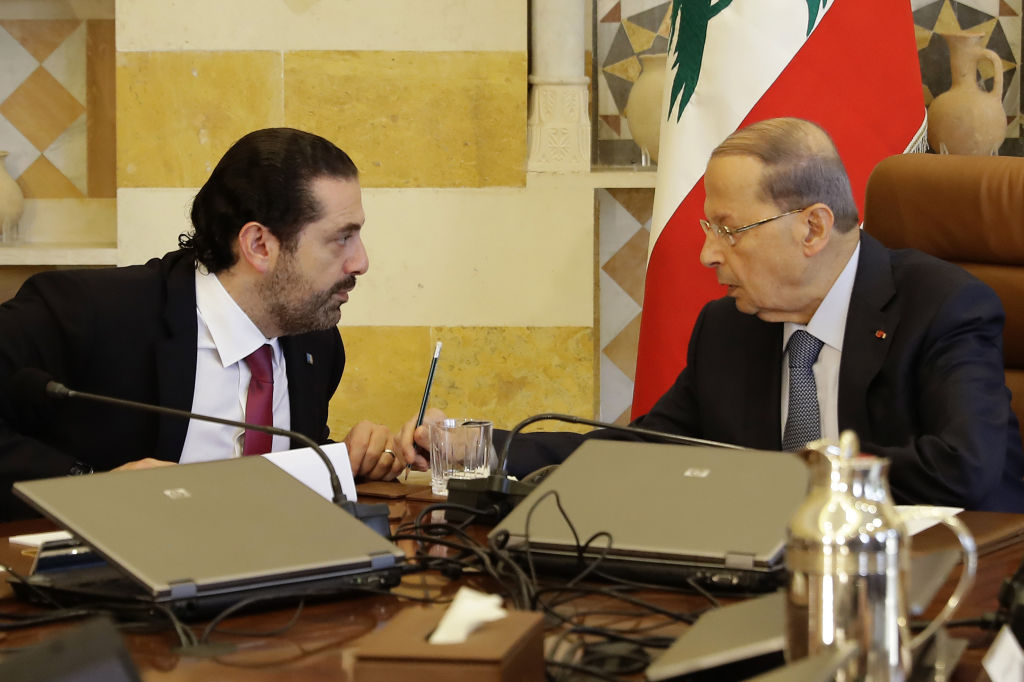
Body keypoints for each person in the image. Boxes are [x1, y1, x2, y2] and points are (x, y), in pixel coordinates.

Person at [400, 117, 1024, 512]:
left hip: (945, 585)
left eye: (729, 230)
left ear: (812, 228)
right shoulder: (730, 327)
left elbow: (964, 468)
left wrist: (790, 480)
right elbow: (638, 450)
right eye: (707, 229)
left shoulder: (942, 306)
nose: (706, 255)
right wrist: (478, 450)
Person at [0, 128, 406, 520]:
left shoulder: (316, 342)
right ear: (259, 245)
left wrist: (352, 459)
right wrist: (93, 489)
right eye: (341, 238)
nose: (361, 262)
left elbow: (273, 474)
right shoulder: (87, 311)